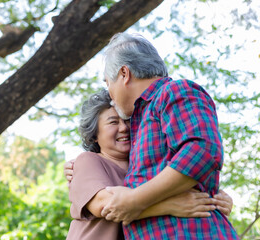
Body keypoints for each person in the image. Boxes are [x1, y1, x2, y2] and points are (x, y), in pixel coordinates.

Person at [98, 32, 239, 239]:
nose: (109, 93)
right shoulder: (139, 122)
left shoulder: (173, 92)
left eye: (107, 82)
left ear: (124, 74)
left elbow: (202, 151)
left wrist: (135, 200)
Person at [66, 89, 233, 240]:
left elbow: (176, 180)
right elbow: (104, 205)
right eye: (113, 122)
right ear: (94, 134)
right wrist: (170, 205)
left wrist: (215, 197)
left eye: (126, 120)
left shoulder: (143, 165)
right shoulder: (88, 161)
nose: (124, 128)